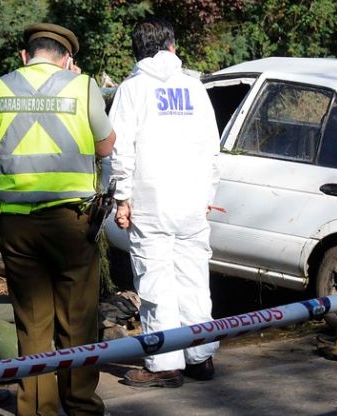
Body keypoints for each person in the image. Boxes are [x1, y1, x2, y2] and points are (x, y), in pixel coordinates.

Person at [0, 23, 116, 416]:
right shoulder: (82, 86)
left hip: (16, 226)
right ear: (67, 58)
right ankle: (83, 409)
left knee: (32, 324)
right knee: (79, 320)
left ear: (24, 56)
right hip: (72, 223)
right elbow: (106, 147)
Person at [109, 17, 221, 388]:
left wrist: (122, 197)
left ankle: (165, 364)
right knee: (194, 279)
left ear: (138, 50)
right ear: (171, 47)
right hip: (191, 202)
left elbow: (120, 150)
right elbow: (211, 148)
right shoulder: (195, 87)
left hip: (151, 203)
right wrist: (208, 195)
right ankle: (200, 356)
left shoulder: (132, 90)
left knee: (156, 284)